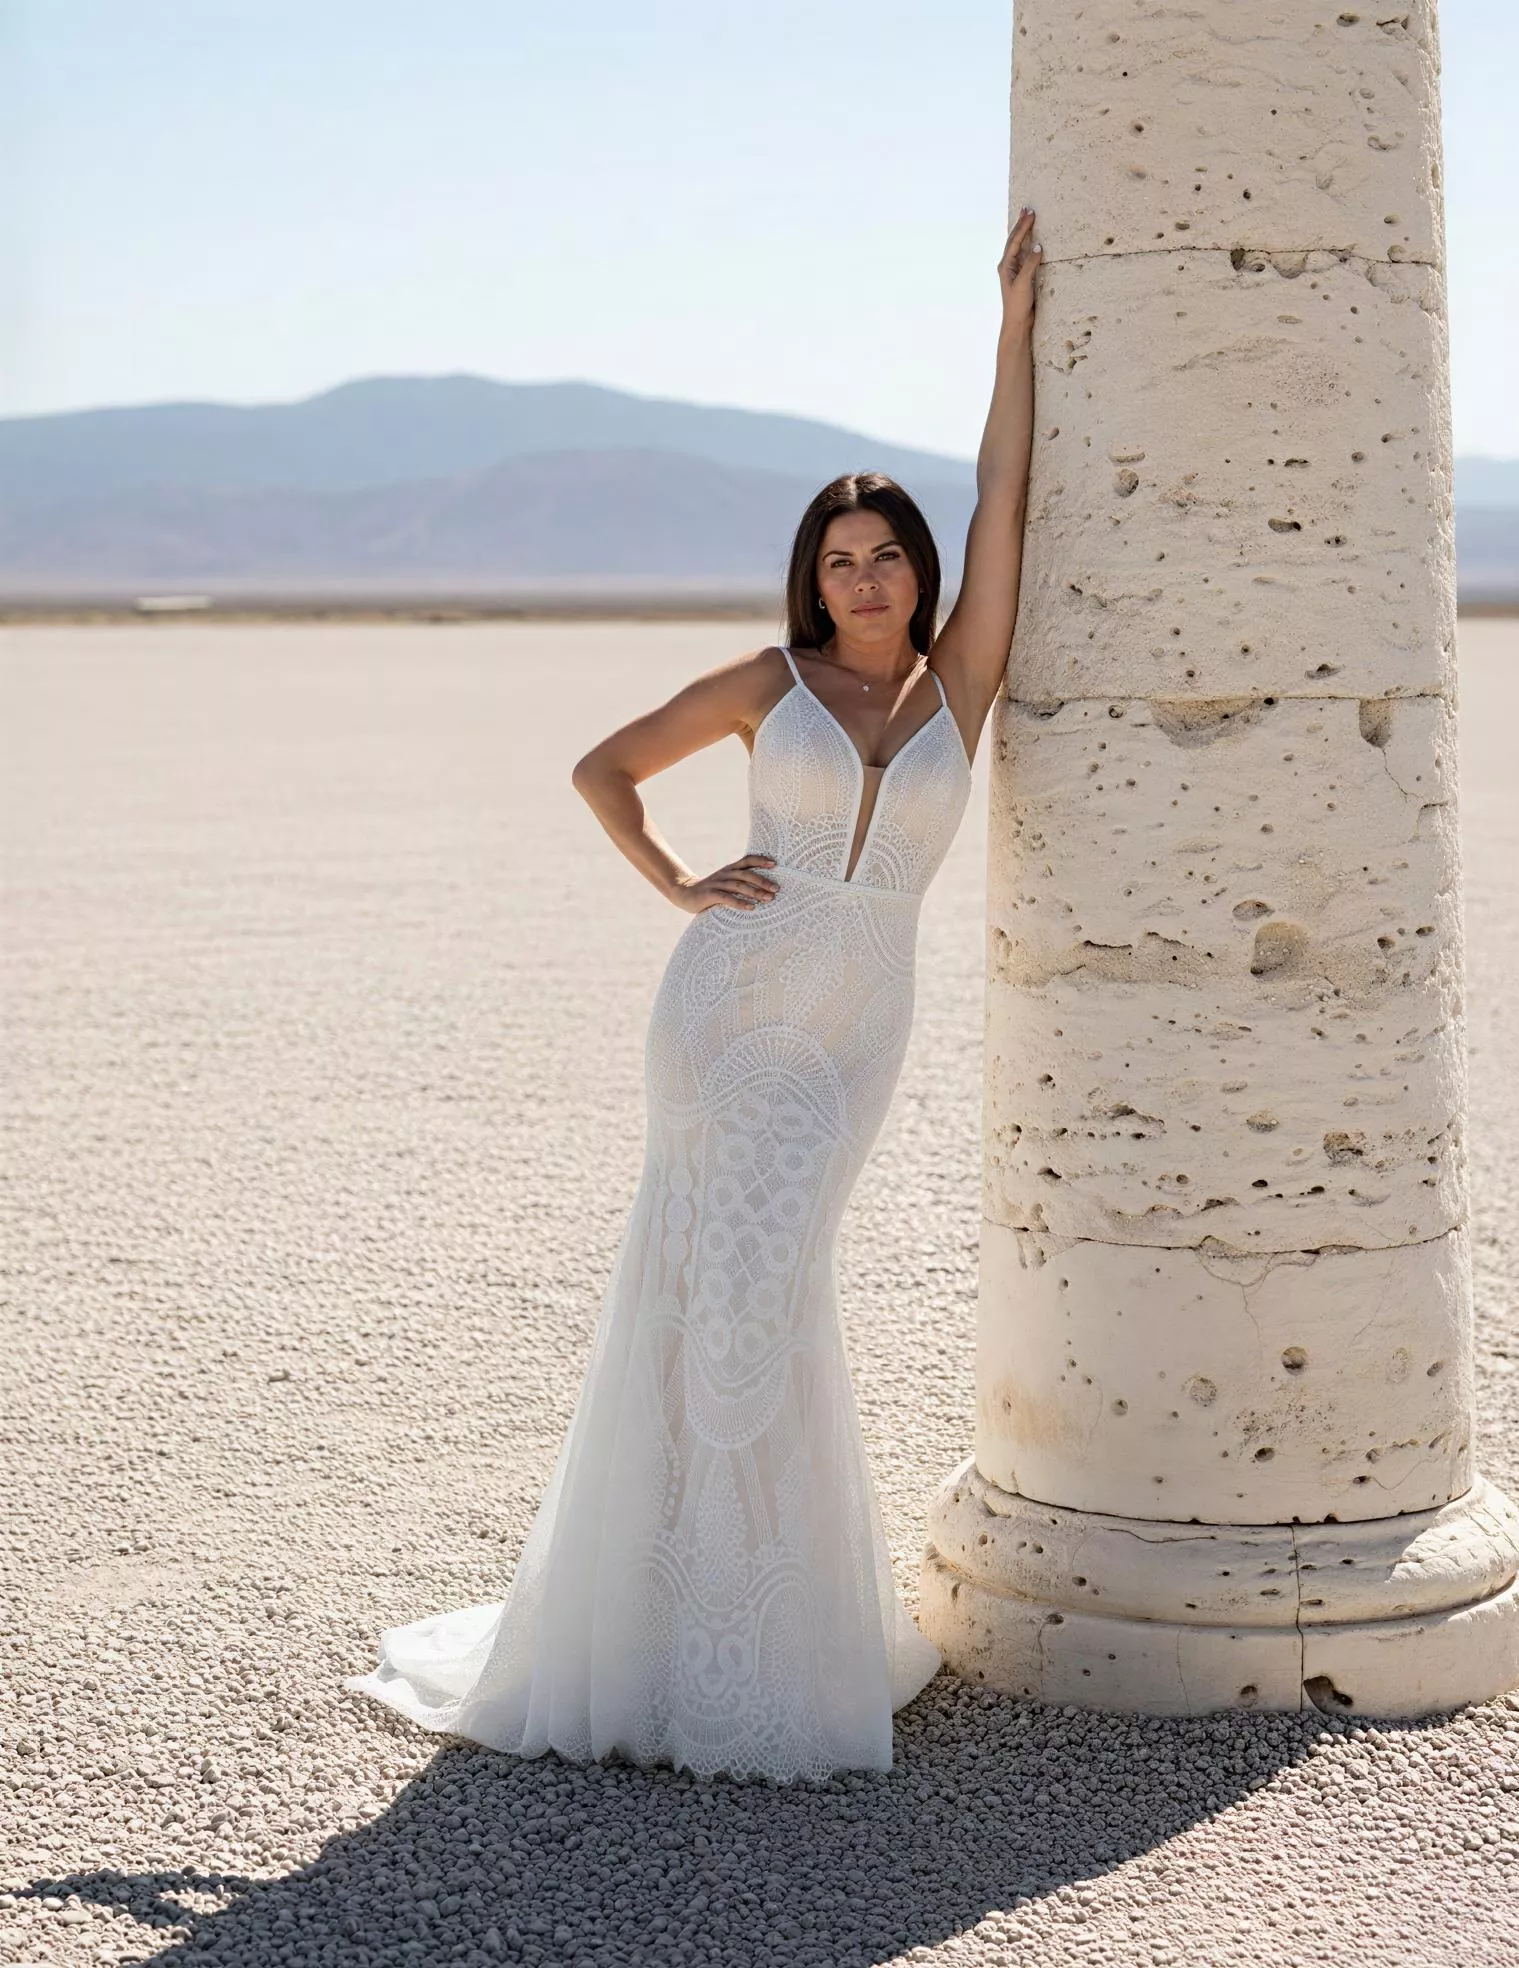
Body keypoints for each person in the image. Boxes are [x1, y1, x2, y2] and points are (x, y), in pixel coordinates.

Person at [345, 204, 1043, 1784]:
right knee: (699, 1289)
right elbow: (601, 767)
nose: (864, 581)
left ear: (922, 575)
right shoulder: (768, 685)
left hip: (857, 1020)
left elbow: (1010, 490)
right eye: (837, 561)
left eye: (886, 559)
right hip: (725, 1009)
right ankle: (673, 1629)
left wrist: (1005, 331)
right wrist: (671, 884)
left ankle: (758, 1620)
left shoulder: (964, 682)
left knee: (776, 1289)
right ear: (811, 579)